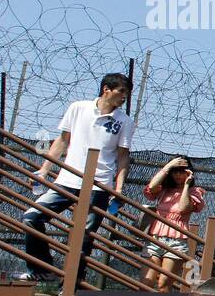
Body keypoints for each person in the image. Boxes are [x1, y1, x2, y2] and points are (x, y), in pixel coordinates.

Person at [17, 73, 135, 283]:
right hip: (67, 180)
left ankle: (71, 285)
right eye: (121, 91)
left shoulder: (124, 121)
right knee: (31, 218)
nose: (124, 97)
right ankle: (41, 268)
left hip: (99, 185)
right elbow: (62, 141)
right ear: (106, 89)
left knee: (84, 236)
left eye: (127, 93)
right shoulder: (78, 108)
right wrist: (44, 170)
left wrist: (118, 188)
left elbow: (123, 157)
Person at [141, 156, 206, 291]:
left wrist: (187, 185)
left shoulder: (194, 192)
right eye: (175, 171)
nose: (177, 175)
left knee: (163, 285)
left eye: (181, 171)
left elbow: (183, 208)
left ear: (189, 172)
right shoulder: (163, 189)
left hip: (176, 242)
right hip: (154, 239)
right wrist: (168, 166)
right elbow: (151, 188)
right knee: (145, 283)